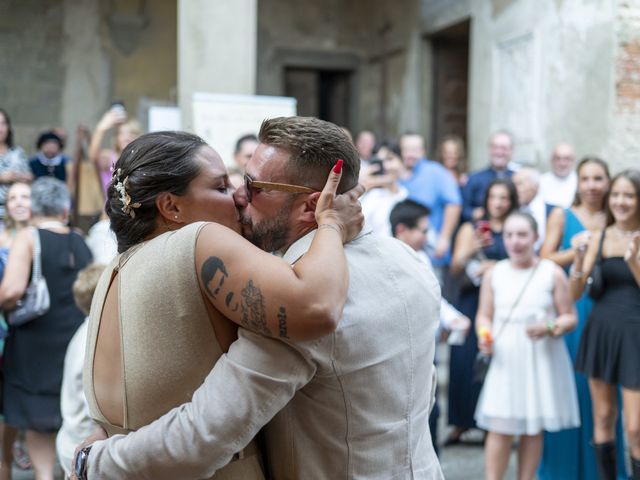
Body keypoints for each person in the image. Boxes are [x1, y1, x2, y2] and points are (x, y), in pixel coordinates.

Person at [74, 117, 443, 480]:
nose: (238, 196)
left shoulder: (285, 294)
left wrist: (96, 461)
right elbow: (419, 397)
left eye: (254, 187)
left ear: (308, 206)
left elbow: (205, 436)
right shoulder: (408, 261)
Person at [539, 157, 627, 479]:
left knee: (607, 397)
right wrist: (575, 250)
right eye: (586, 178)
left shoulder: (618, 217)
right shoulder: (562, 215)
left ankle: (602, 471)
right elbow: (544, 258)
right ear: (578, 182)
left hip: (610, 308)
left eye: (599, 178)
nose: (592, 185)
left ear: (608, 182)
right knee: (571, 386)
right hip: (572, 306)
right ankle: (563, 470)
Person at [475, 212, 580, 480]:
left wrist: (548, 327)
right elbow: (484, 315)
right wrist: (484, 334)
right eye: (509, 235)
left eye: (522, 235)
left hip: (539, 356)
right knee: (500, 426)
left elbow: (569, 316)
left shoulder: (551, 273)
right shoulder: (494, 273)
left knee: (533, 428)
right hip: (505, 357)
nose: (515, 241)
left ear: (536, 238)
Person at [0, 178, 92, 480]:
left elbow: (12, 290)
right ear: (64, 208)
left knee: (38, 418)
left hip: (33, 342)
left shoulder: (28, 237)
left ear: (35, 207)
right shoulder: (79, 238)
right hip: (74, 337)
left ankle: (43, 475)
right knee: (64, 411)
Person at [571, 169, 640, 480]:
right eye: (616, 195)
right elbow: (575, 294)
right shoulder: (598, 237)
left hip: (636, 336)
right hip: (601, 331)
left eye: (629, 195)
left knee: (635, 427)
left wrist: (633, 261)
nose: (620, 202)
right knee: (602, 416)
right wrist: (577, 259)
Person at [390, 198, 471, 455]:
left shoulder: (422, 256)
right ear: (402, 229)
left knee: (431, 410)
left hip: (426, 348)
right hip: (399, 350)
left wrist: (452, 318)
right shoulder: (386, 258)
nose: (428, 236)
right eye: (423, 230)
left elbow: (433, 295)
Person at [445, 178, 517, 446]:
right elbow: (455, 267)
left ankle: (493, 423)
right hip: (471, 298)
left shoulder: (515, 228)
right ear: (486, 200)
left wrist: (495, 268)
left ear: (511, 202)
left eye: (504, 198)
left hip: (502, 301)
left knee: (496, 360)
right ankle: (462, 421)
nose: (498, 203)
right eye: (493, 197)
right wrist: (472, 248)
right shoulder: (470, 227)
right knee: (464, 361)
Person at [56, 263, 105, 478]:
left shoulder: (83, 332)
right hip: (83, 443)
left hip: (70, 438)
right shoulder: (94, 339)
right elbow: (93, 404)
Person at [0, 181, 32, 480]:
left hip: (35, 327)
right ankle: (6, 456)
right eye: (13, 198)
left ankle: (20, 442)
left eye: (25, 196)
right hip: (3, 325)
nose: (19, 202)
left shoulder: (44, 235)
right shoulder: (1, 236)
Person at [398, 132, 462, 280]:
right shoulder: (394, 173)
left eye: (414, 149)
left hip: (431, 252)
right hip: (402, 252)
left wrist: (444, 238)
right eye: (406, 149)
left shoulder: (435, 172)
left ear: (423, 151)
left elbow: (454, 203)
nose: (410, 154)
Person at [88, 104, 141, 200]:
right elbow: (93, 157)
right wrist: (101, 128)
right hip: (112, 211)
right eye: (122, 134)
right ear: (116, 138)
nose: (126, 137)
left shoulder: (141, 159)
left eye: (131, 133)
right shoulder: (110, 157)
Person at [461, 130, 515, 223]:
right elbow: (462, 209)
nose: (499, 152)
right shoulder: (474, 179)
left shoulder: (517, 178)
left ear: (511, 151)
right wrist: (474, 213)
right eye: (495, 147)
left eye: (504, 148)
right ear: (489, 149)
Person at [0, 109, 32, 221]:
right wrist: (2, 177)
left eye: (3, 123)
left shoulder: (17, 152)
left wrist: (23, 177)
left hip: (15, 212)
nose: (0, 128)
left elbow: (29, 176)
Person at [512, 167, 553, 251]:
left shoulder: (553, 211)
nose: (514, 189)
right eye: (513, 185)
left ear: (535, 186)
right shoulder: (511, 211)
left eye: (519, 184)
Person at [539, 143, 578, 209]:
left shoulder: (579, 181)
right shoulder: (540, 181)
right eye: (558, 159)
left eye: (567, 159)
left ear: (573, 161)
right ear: (551, 160)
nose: (562, 163)